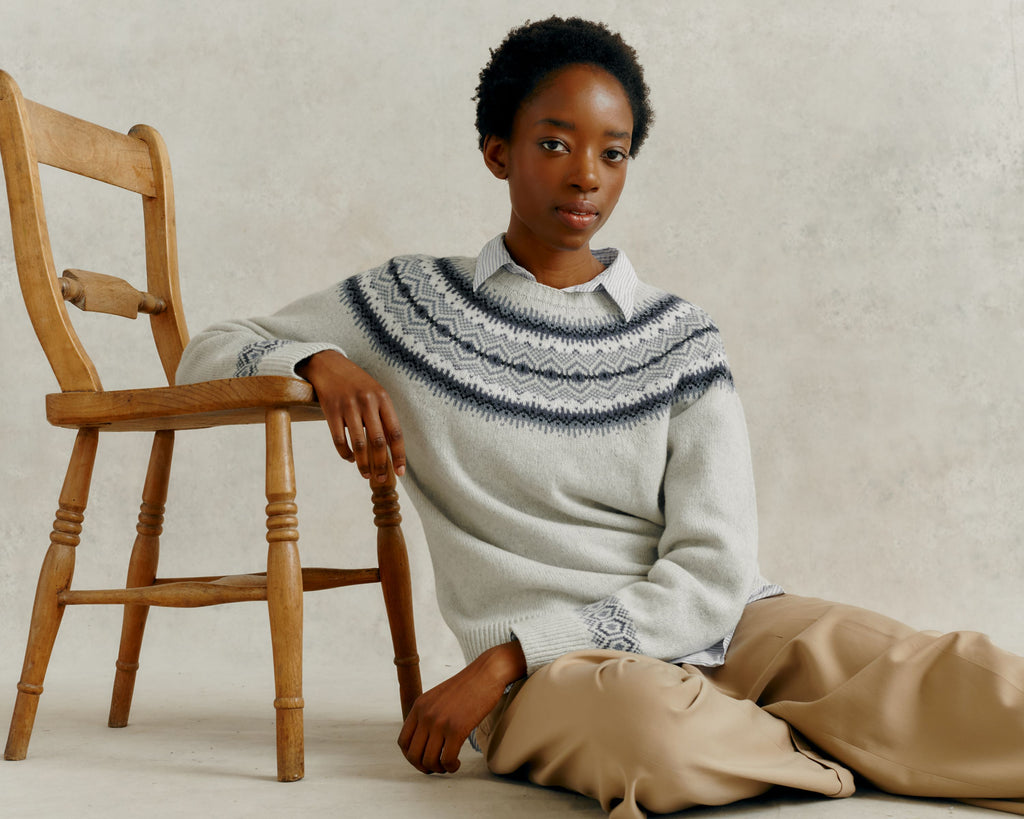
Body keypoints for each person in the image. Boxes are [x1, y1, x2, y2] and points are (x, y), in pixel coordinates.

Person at [177, 16, 1024, 819]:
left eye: (612, 153)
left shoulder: (679, 336)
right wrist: (317, 361)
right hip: (571, 683)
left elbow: (716, 568)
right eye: (554, 143)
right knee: (652, 738)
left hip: (722, 629)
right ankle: (842, 749)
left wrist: (500, 657)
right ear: (497, 152)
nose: (586, 174)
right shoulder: (411, 305)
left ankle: (802, 736)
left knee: (946, 674)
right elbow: (206, 353)